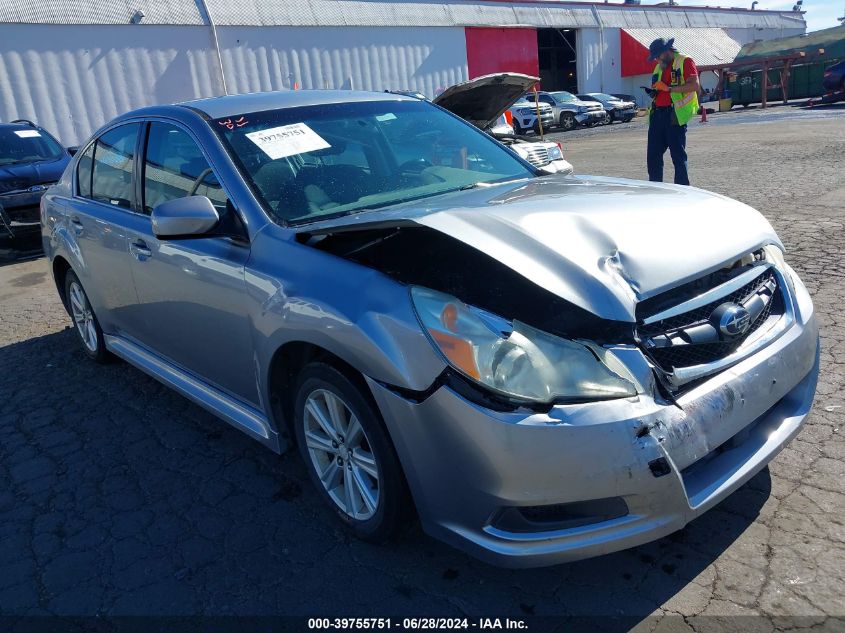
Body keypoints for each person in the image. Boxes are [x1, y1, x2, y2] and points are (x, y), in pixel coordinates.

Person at [643, 38, 700, 186]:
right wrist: (654, 91)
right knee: (653, 157)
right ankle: (655, 191)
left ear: (667, 51)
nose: (656, 59)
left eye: (658, 56)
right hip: (657, 114)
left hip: (674, 115)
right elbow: (659, 87)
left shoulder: (685, 61)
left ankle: (683, 192)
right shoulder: (658, 67)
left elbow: (694, 86)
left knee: (678, 157)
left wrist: (669, 89)